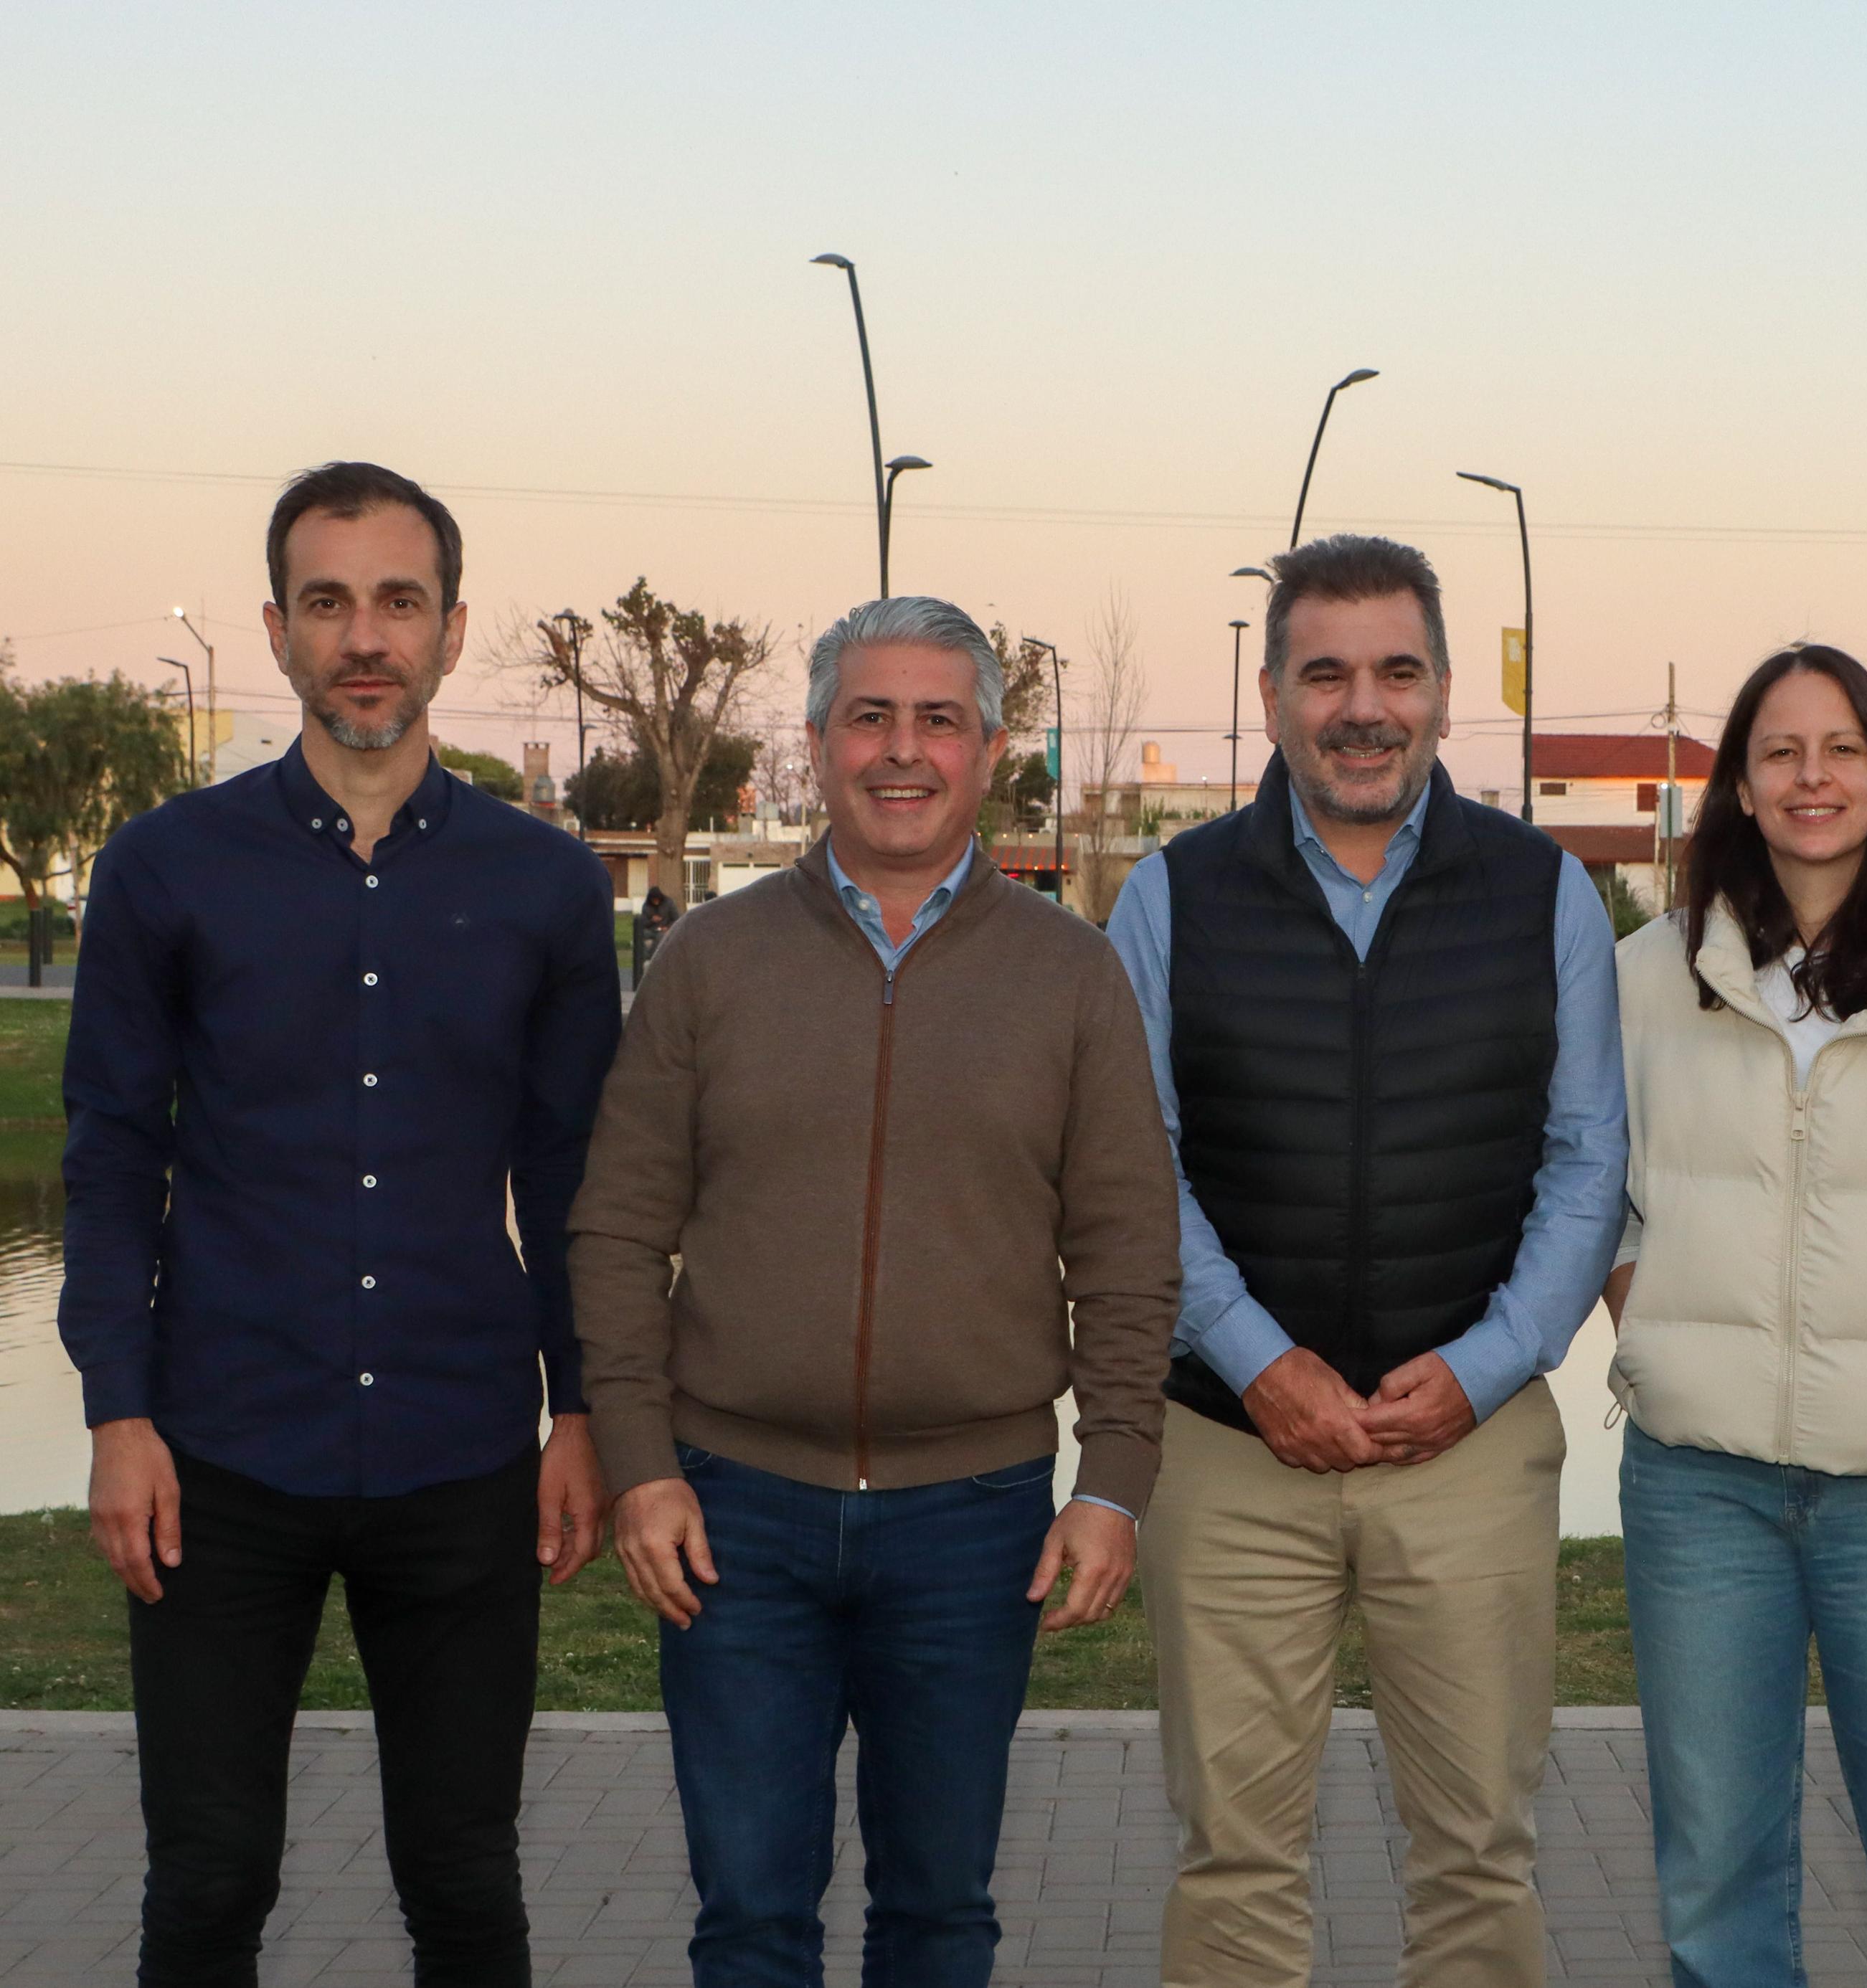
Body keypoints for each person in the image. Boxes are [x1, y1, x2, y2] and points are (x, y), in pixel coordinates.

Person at [60, 460, 620, 1986]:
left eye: (397, 601)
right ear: (276, 630)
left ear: (450, 630)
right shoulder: (168, 867)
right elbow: (111, 1153)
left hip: (460, 1451)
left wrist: (584, 1414)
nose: (363, 636)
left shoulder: (548, 888)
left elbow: (575, 1178)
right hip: (218, 1451)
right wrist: (119, 1410)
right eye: (328, 603)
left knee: (464, 1881)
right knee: (207, 1883)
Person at [567, 595, 1180, 1987]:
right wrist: (638, 1463)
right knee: (751, 1922)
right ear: (813, 743)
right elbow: (614, 1228)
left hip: (969, 1529)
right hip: (733, 1516)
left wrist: (1116, 1478)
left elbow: (1130, 1248)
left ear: (990, 750)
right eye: (869, 716)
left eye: (938, 721)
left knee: (939, 1921)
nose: (901, 751)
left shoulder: (1072, 978)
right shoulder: (708, 961)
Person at [1105, 533, 1626, 1988]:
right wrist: (1255, 1359)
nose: (1361, 706)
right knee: (1235, 1861)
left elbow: (1589, 1162)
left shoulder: (1543, 892)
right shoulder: (1173, 895)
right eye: (1323, 672)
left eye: (1396, 670)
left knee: (1476, 1855)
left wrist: (1483, 1369)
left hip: (1463, 1452)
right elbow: (1135, 1170)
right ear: (1270, 694)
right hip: (1227, 1452)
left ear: (1447, 692)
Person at [1604, 643, 1867, 1986]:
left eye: (1842, 748)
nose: (1812, 777)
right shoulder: (1642, 979)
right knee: (1716, 1890)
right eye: (1780, 750)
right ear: (1737, 781)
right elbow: (1599, 1196)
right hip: (1700, 1487)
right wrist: (1652, 1331)